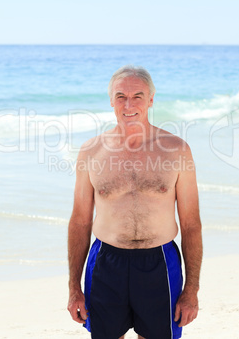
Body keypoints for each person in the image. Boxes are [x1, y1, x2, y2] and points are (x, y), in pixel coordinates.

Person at [67, 65, 203, 339]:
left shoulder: (176, 150)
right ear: (111, 101)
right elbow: (80, 220)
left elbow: (191, 224)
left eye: (137, 96)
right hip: (107, 262)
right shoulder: (91, 151)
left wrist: (191, 291)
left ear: (151, 99)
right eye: (120, 97)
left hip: (160, 261)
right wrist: (73, 288)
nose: (128, 105)